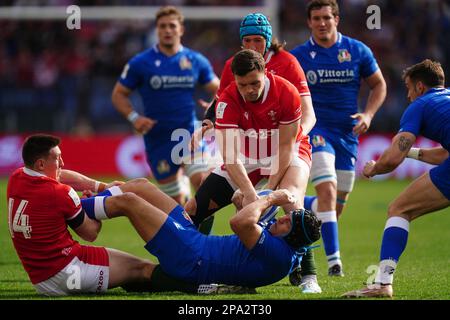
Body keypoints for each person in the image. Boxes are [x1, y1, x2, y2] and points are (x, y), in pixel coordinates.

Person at [189, 13, 321, 294]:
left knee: (292, 201)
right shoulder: (233, 67)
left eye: (257, 40)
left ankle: (308, 273)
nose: (251, 45)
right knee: (194, 206)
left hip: (288, 143)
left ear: (269, 39)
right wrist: (207, 125)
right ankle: (195, 266)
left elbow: (306, 116)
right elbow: (221, 103)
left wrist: (295, 132)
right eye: (246, 40)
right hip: (249, 148)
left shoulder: (288, 66)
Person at [6, 134, 213, 296]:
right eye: (57, 159)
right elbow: (90, 233)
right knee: (143, 268)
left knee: (139, 186)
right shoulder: (60, 193)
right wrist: (86, 204)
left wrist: (100, 187)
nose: (62, 163)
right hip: (68, 271)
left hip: (41, 276)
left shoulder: (17, 177)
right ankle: (200, 285)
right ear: (41, 165)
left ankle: (189, 231)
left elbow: (60, 176)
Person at [290, 0, 387, 277]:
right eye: (316, 18)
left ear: (336, 20)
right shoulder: (298, 56)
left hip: (348, 135)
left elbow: (379, 84)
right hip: (316, 131)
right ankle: (334, 263)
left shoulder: (357, 50)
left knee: (333, 204)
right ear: (309, 22)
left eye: (326, 18)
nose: (322, 23)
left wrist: (368, 114)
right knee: (328, 191)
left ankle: (303, 203)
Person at [82, 181, 322, 288]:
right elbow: (243, 238)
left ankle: (70, 209)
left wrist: (271, 198)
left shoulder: (278, 254)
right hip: (195, 242)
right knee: (141, 187)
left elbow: (238, 223)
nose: (280, 218)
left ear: (291, 236)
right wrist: (243, 204)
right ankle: (85, 204)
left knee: (130, 202)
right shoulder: (286, 247)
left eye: (286, 222)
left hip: (191, 258)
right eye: (285, 216)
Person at [343, 59, 449, 298]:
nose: (409, 95)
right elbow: (444, 155)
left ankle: (382, 284)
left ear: (420, 87)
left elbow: (392, 159)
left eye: (409, 88)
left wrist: (374, 168)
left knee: (399, 208)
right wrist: (412, 153)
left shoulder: (420, 105)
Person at [112, 6, 219, 205]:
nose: (167, 30)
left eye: (172, 26)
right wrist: (135, 117)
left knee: (204, 186)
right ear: (157, 30)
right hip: (157, 138)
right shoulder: (141, 63)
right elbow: (118, 94)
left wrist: (213, 108)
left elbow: (219, 89)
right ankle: (184, 199)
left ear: (181, 30)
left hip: (188, 133)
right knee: (176, 202)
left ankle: (201, 237)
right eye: (162, 26)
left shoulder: (195, 60)